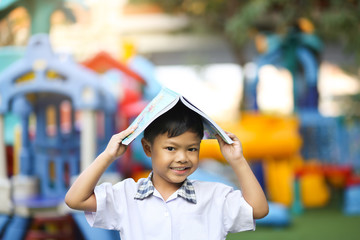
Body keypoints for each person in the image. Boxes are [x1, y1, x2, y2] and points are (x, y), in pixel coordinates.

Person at [65, 102, 269, 240]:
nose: (183, 157)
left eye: (192, 149)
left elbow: (258, 209)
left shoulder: (214, 196)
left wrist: (237, 160)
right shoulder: (126, 195)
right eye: (171, 148)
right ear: (147, 148)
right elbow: (75, 199)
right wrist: (107, 155)